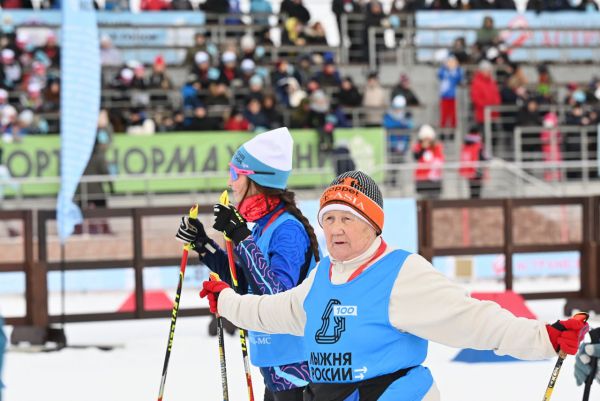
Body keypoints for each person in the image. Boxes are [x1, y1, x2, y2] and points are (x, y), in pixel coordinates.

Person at [200, 169, 590, 401]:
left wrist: (546, 336)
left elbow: (474, 320)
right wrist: (226, 300)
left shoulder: (401, 272)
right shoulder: (324, 275)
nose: (335, 229)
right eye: (329, 219)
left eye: (347, 219)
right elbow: (275, 311)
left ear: (373, 225)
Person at [176, 128, 321, 401]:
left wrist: (241, 236)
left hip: (298, 367)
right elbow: (247, 284)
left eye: (235, 173)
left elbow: (278, 298)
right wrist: (203, 244)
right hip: (274, 364)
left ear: (255, 180)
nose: (230, 183)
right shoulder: (263, 227)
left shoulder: (288, 230)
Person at [413, 125, 444, 199]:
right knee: (423, 197)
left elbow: (440, 159)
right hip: (422, 177)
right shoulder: (418, 146)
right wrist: (423, 148)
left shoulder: (437, 147)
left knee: (434, 197)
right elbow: (416, 157)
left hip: (434, 178)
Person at [459, 126, 488, 199]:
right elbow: (483, 157)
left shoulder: (465, 144)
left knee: (472, 192)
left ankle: (472, 206)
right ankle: (475, 207)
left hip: (468, 171)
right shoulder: (478, 144)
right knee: (477, 193)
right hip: (477, 171)